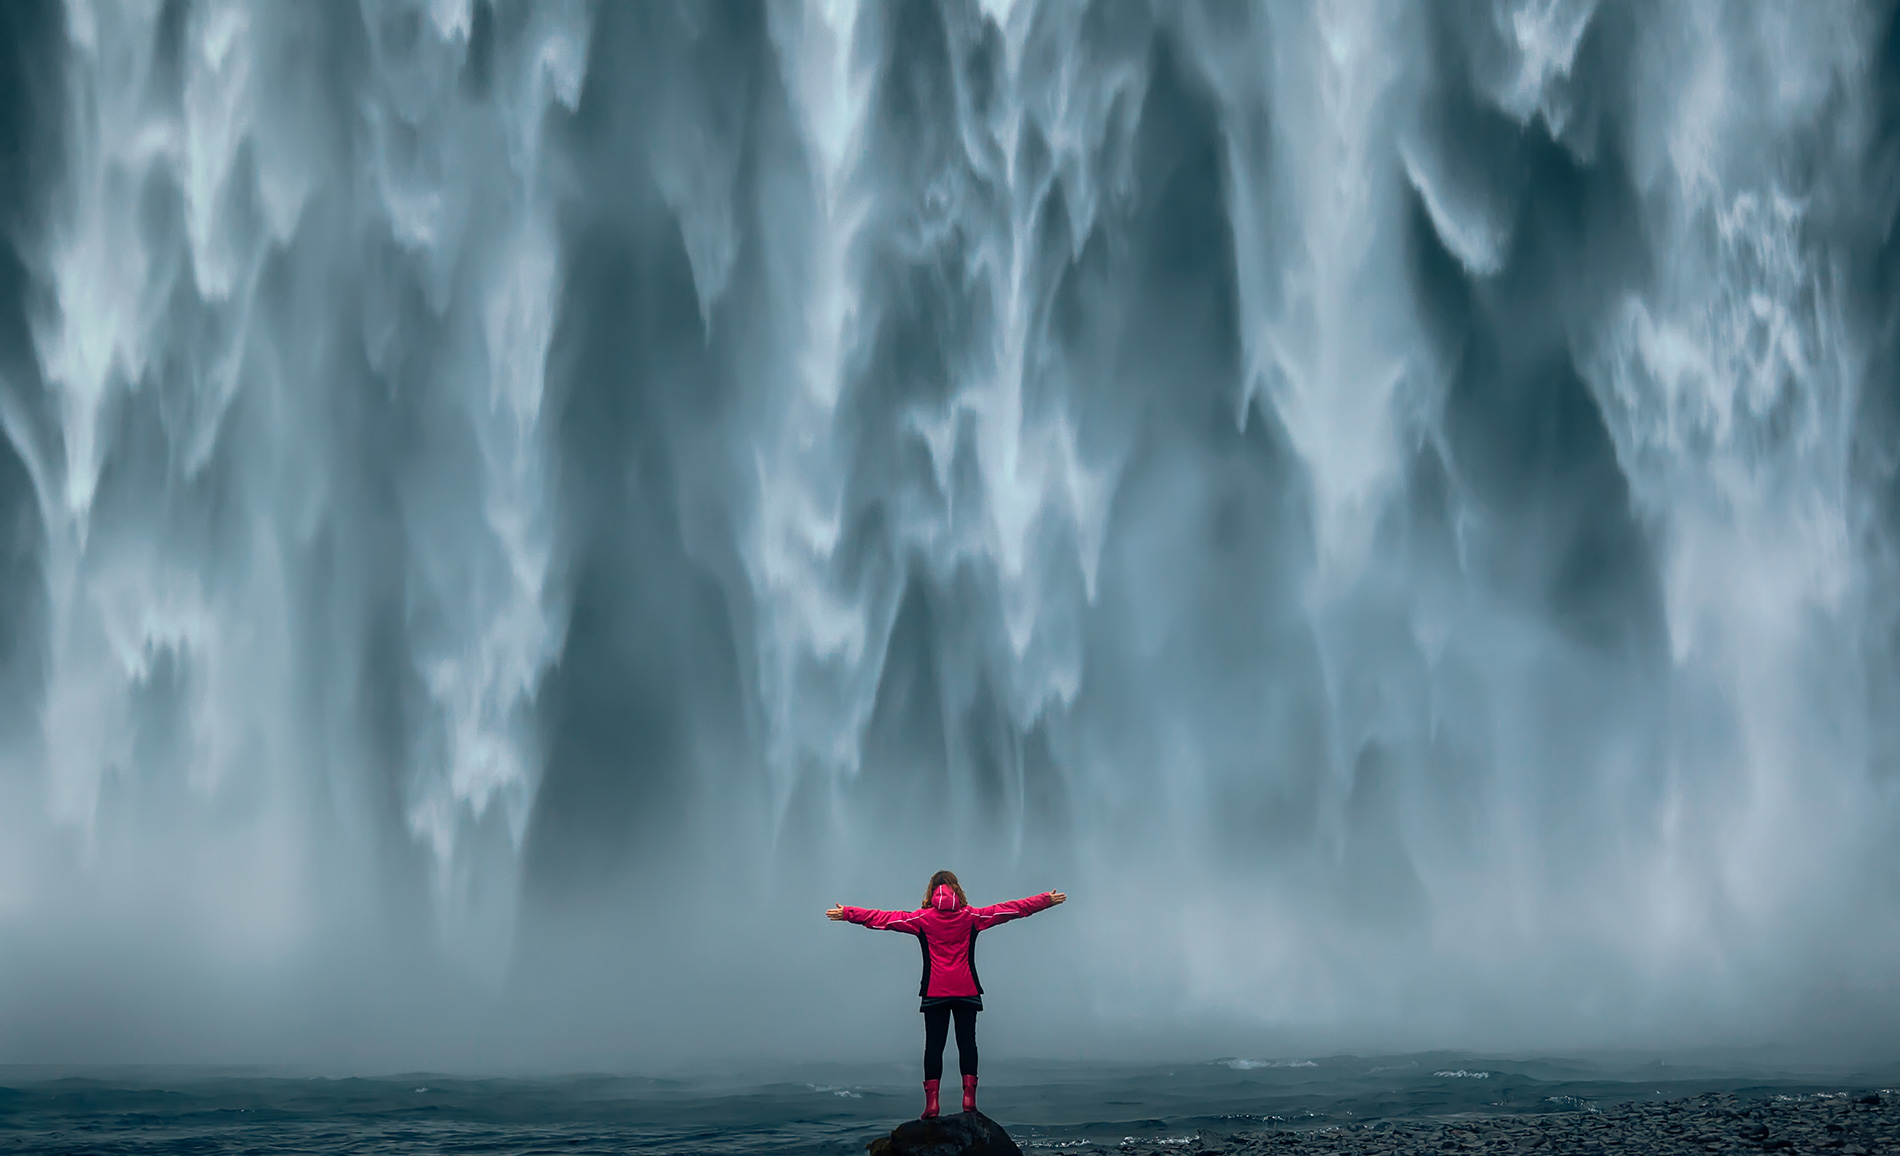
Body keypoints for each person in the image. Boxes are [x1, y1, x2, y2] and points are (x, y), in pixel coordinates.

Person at [827, 870, 1066, 1118]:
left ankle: (932, 1105)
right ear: (957, 890)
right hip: (967, 989)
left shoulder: (922, 918)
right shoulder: (972, 916)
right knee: (967, 1044)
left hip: (935, 991)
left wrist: (848, 913)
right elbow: (1011, 909)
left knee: (934, 1047)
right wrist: (1044, 900)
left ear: (931, 892)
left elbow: (885, 919)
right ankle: (969, 1099)